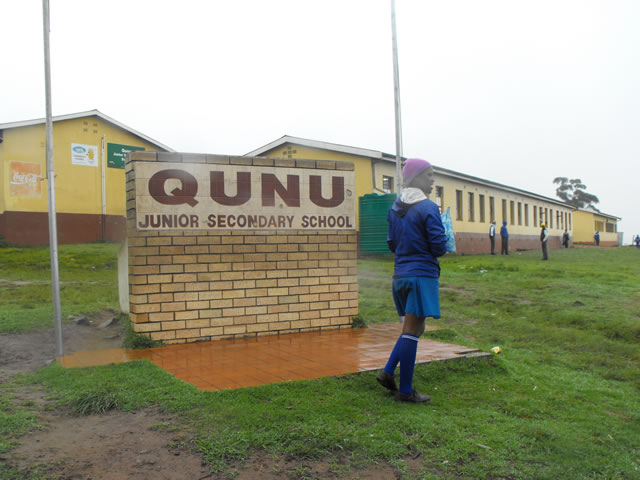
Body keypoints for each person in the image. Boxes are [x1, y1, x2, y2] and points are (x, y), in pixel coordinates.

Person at [376, 158, 447, 403]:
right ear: (416, 178)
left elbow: (391, 243)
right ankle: (405, 391)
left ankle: (388, 372)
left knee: (415, 328)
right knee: (411, 330)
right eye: (429, 175)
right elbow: (438, 246)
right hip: (421, 275)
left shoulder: (395, 208)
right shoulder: (428, 207)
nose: (433, 180)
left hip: (400, 276)